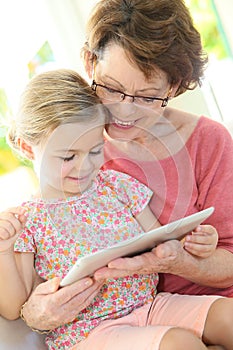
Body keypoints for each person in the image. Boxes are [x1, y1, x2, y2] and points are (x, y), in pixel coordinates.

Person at [7, 0, 233, 342]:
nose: (123, 111)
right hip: (107, 330)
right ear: (90, 64)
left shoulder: (206, 143)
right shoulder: (70, 141)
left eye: (146, 96)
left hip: (172, 305)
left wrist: (188, 253)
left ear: (172, 88)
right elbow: (23, 296)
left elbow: (205, 251)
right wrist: (38, 313)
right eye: (111, 88)